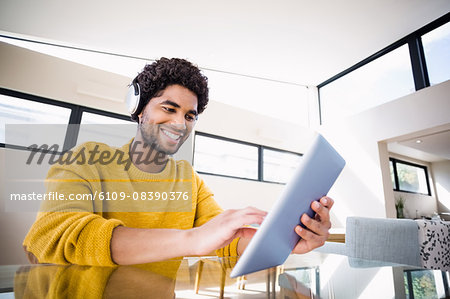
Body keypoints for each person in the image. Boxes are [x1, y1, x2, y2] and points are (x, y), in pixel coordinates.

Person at [23, 57, 333, 266]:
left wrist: (286, 243)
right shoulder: (86, 160)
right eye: (168, 109)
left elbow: (224, 242)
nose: (179, 123)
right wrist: (191, 238)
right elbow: (52, 237)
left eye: (189, 116)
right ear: (138, 109)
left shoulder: (189, 180)